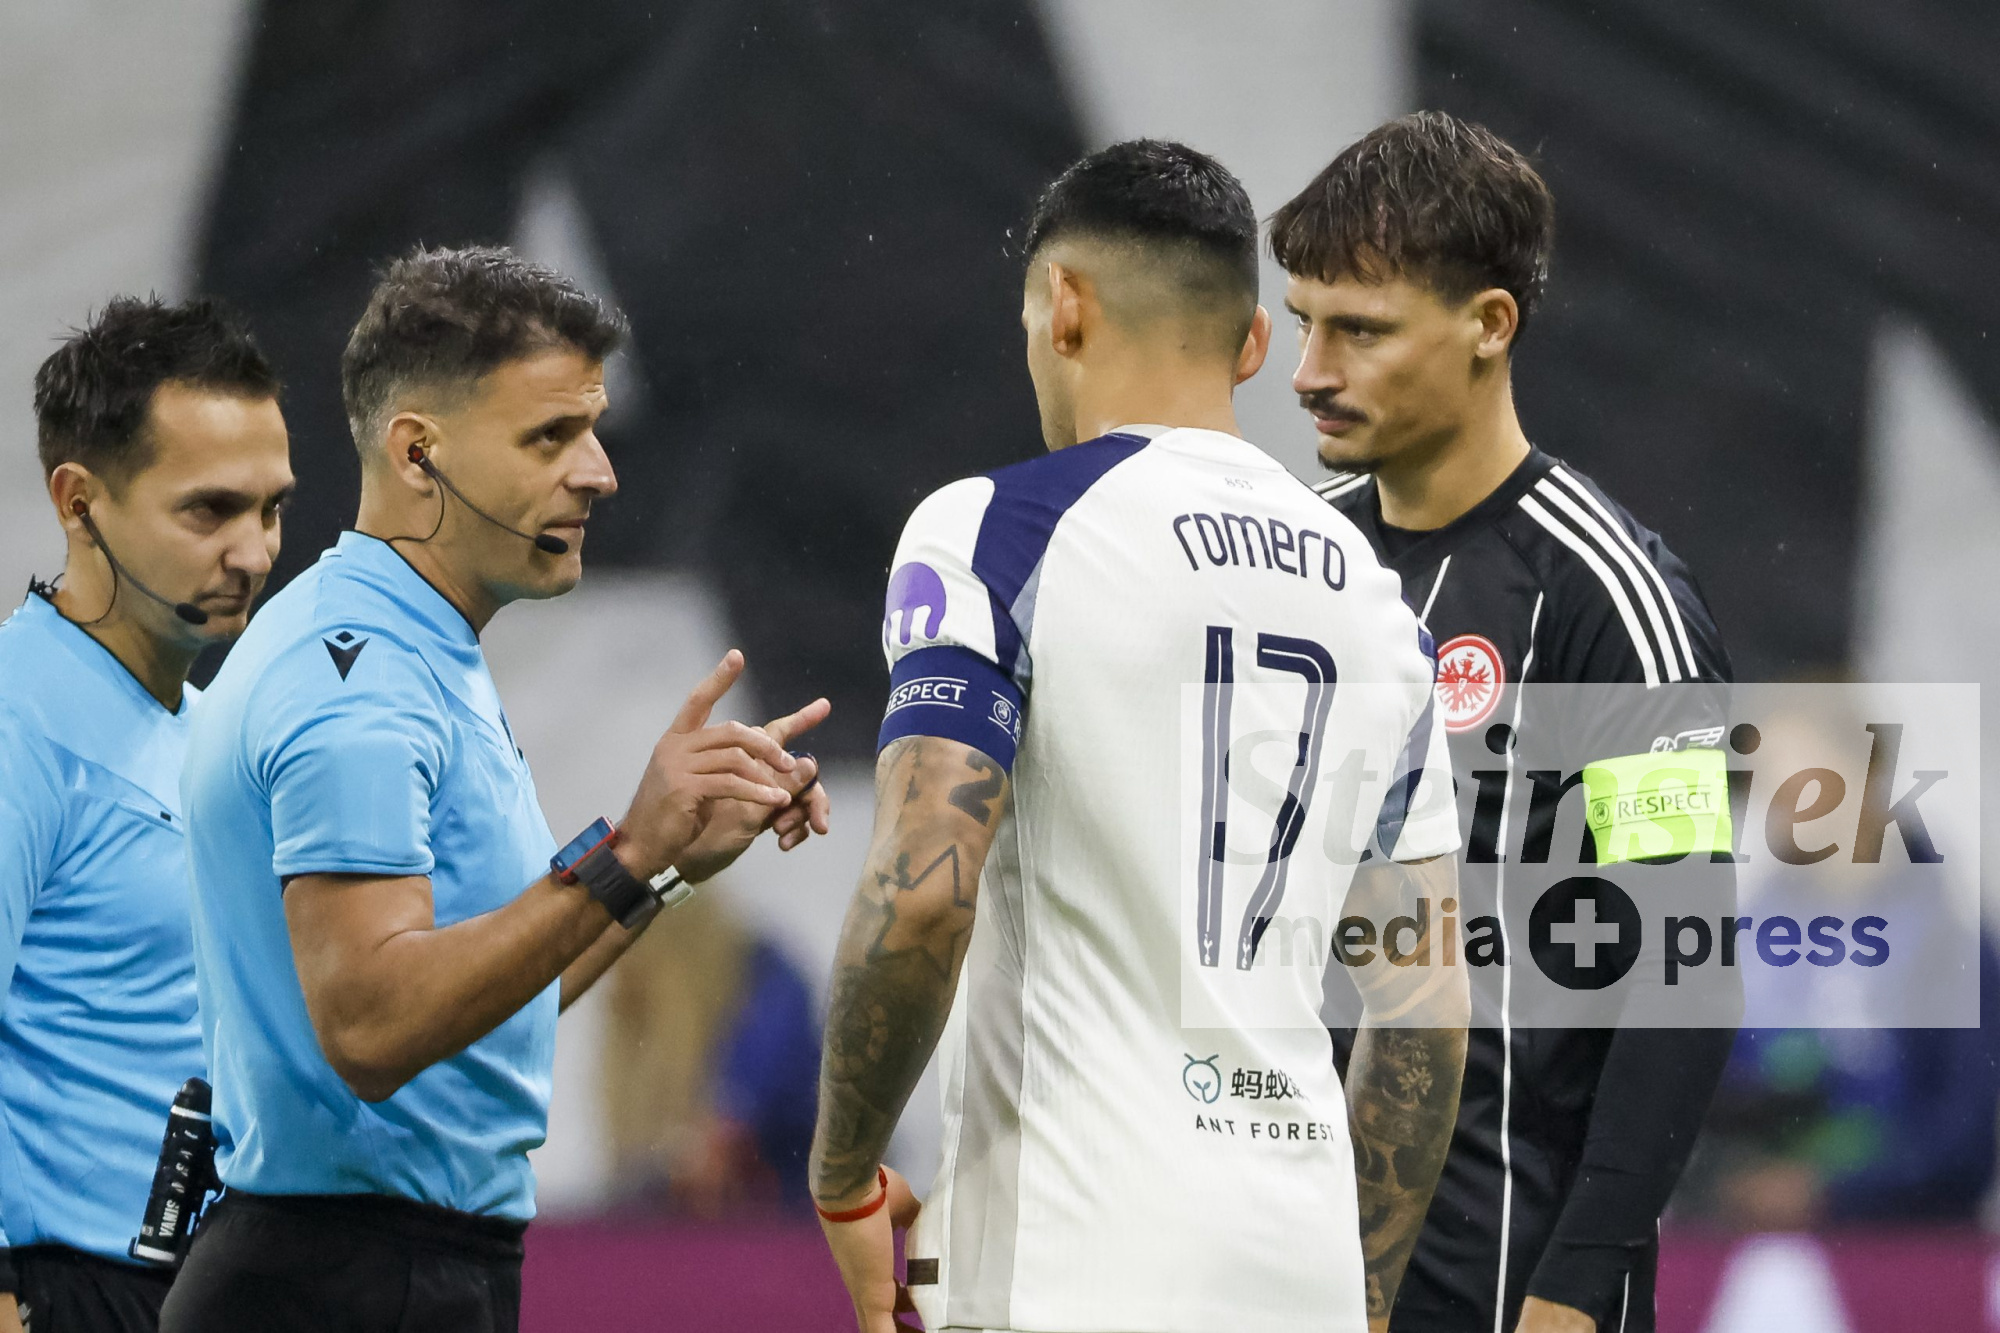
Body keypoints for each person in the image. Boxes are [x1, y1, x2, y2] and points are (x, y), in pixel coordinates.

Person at [808, 140, 1470, 1333]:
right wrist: (1360, 1298)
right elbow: (1422, 1006)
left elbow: (921, 893)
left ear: (1063, 306)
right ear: (1253, 344)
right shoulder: (1378, 607)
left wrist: (842, 1174)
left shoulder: (996, 530)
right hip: (1298, 1273)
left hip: (1072, 1264)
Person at [161, 246, 830, 1333]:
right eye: (550, 436)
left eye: (593, 429)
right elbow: (374, 1024)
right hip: (342, 1283)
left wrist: (662, 865)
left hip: (386, 1271)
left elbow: (480, 1009)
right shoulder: (359, 679)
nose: (600, 472)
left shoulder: (414, 654)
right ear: (417, 452)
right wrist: (625, 849)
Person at [1273, 112, 1737, 1333]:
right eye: (1303, 320)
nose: (1308, 370)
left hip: (1497, 1277)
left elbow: (1682, 976)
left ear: (1487, 324)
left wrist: (1574, 1288)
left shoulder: (1610, 600)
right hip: (1277, 1258)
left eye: (1359, 329)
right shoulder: (1285, 560)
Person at [0, 299, 292, 1333]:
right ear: (78, 502)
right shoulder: (16, 721)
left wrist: (644, 868)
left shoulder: (217, 736)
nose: (254, 551)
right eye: (209, 511)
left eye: (271, 509)